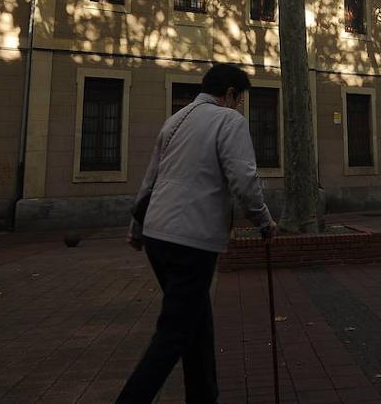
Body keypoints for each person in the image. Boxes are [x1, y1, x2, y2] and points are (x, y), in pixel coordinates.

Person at [116, 63, 277, 404]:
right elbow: (244, 180)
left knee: (197, 324)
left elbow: (151, 178)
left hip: (158, 236)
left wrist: (137, 226)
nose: (239, 107)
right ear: (230, 93)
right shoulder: (228, 120)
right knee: (174, 332)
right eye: (238, 100)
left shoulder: (175, 120)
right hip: (191, 238)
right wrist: (263, 220)